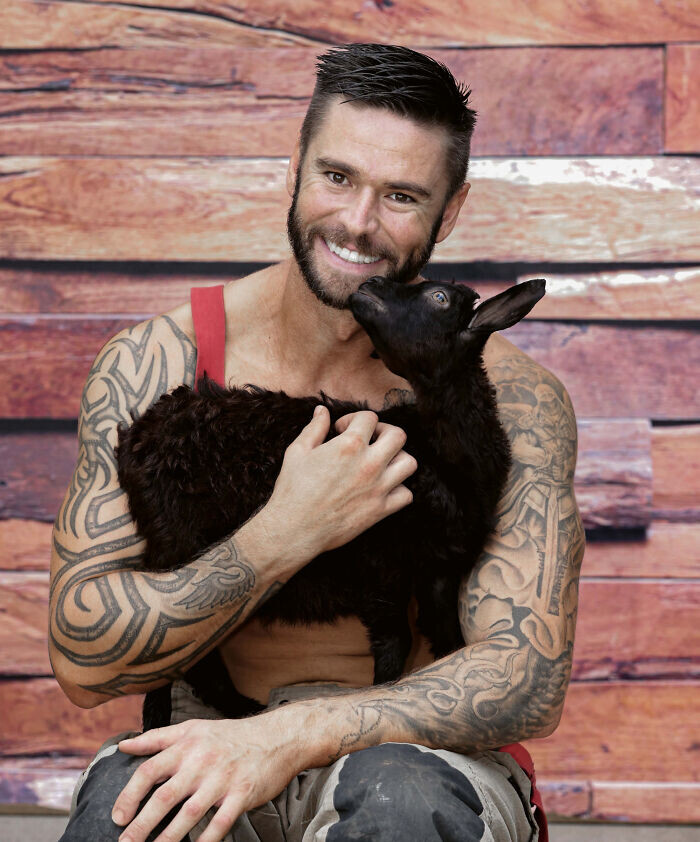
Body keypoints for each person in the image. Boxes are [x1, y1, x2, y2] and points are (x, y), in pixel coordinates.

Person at [50, 43, 584, 842]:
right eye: (337, 177)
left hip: (420, 757)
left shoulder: (517, 401)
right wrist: (286, 531)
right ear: (294, 169)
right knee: (128, 811)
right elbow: (84, 662)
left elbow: (526, 675)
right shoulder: (157, 362)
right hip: (206, 738)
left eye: (401, 195)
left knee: (401, 800)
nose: (358, 222)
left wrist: (292, 736)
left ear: (451, 210)